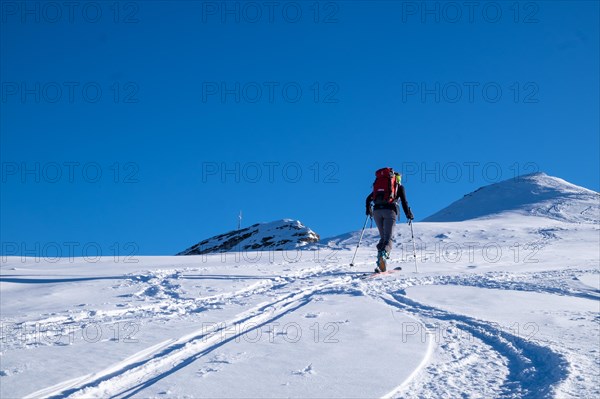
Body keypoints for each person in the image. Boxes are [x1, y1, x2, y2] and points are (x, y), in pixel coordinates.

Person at [365, 169, 414, 273]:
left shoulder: (379, 187)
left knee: (383, 237)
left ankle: (380, 262)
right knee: (388, 238)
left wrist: (368, 209)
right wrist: (408, 214)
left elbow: (368, 198)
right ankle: (383, 256)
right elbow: (404, 202)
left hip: (377, 211)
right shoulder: (399, 187)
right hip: (390, 211)